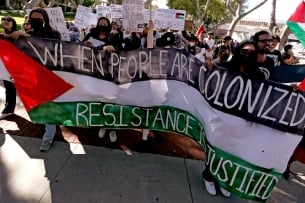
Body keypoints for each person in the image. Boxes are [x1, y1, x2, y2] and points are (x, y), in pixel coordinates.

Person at [12, 7, 61, 152]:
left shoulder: (54, 34)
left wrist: (27, 37)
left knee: (48, 106)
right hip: (34, 76)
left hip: (50, 76)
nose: (35, 21)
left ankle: (48, 136)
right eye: (32, 18)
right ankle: (50, 128)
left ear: (45, 19)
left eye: (39, 18)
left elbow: (50, 46)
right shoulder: (26, 34)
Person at [0, 16, 17, 119]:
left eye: (8, 20)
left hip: (14, 66)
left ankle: (9, 109)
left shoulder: (17, 35)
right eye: (3, 19)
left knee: (11, 87)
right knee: (8, 86)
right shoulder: (1, 35)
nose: (5, 21)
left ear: (13, 23)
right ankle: (8, 108)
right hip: (3, 66)